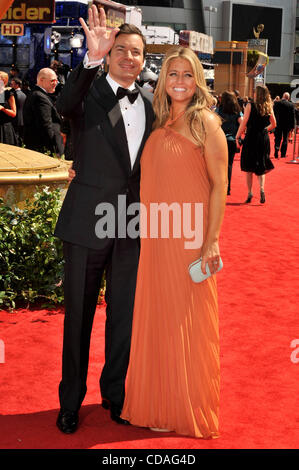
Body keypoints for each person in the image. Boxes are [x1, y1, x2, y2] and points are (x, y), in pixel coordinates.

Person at [54, 6, 154, 434]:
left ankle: (115, 394)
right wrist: (89, 60)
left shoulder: (151, 103)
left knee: (124, 316)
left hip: (130, 224)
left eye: (137, 53)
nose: (130, 58)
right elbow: (63, 104)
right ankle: (70, 401)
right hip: (86, 221)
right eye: (122, 51)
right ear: (110, 54)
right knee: (78, 315)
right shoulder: (89, 93)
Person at [121, 46, 228, 438]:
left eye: (187, 74)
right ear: (162, 80)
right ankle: (158, 404)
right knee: (159, 321)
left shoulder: (206, 123)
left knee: (186, 321)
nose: (179, 81)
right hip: (156, 238)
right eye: (172, 74)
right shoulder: (159, 121)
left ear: (197, 80)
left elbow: (220, 187)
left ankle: (183, 407)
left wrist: (211, 241)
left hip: (188, 239)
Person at [235, 85, 276, 204]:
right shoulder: (269, 106)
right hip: (263, 138)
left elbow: (244, 123)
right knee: (261, 165)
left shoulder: (250, 105)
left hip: (251, 138)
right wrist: (264, 130)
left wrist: (238, 136)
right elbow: (274, 124)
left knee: (249, 167)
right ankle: (262, 190)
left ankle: (250, 193)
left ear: (256, 94)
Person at [23, 68, 64, 156]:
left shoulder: (38, 94)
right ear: (42, 80)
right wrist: (54, 148)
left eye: (57, 80)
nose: (56, 83)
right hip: (43, 149)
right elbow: (45, 125)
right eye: (52, 80)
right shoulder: (39, 96)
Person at [217, 90, 243, 195]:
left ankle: (220, 186)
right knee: (229, 164)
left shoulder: (219, 110)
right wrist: (237, 136)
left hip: (220, 140)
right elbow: (243, 123)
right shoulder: (237, 111)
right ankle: (227, 188)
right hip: (232, 140)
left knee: (219, 165)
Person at [273, 92, 295, 158]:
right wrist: (292, 126)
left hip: (278, 123)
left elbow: (273, 113)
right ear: (288, 98)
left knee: (278, 137)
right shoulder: (291, 105)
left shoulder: (277, 103)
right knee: (285, 139)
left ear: (283, 96)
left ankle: (276, 148)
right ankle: (283, 154)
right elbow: (292, 116)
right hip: (287, 124)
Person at [0, 71, 18, 145]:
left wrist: (3, 109)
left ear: (3, 81)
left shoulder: (8, 93)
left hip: (4, 127)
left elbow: (14, 113)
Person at [10, 77, 26, 146]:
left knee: (15, 136)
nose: (11, 86)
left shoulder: (14, 94)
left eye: (12, 84)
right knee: (20, 136)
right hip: (22, 118)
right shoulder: (24, 94)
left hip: (15, 118)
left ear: (17, 85)